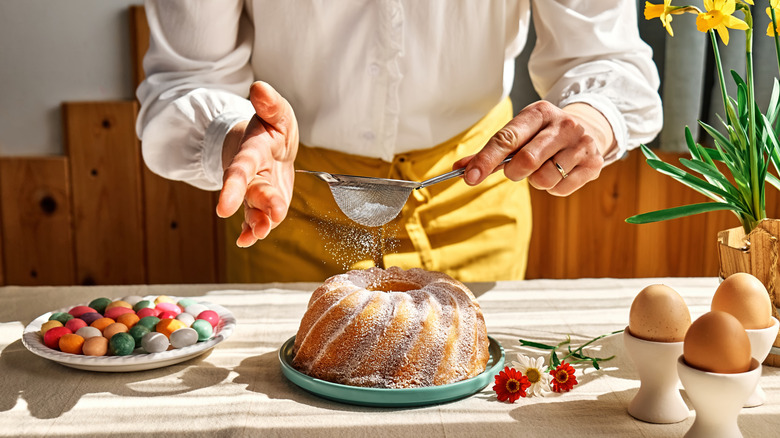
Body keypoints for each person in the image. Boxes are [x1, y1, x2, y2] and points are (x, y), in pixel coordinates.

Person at [136, 0, 662, 283]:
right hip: (287, 200)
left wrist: (590, 119)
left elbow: (605, 55)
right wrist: (237, 140)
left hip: (470, 190)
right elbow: (185, 77)